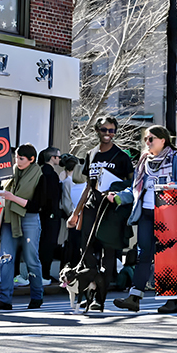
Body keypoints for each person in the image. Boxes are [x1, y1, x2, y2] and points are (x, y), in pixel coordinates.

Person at [111, 125, 177, 314]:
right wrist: (119, 197)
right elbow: (136, 188)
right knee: (144, 255)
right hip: (147, 214)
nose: (147, 143)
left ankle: (172, 301)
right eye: (146, 140)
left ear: (162, 140)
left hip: (168, 216)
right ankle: (134, 298)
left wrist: (175, 185)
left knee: (168, 257)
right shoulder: (143, 161)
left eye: (151, 139)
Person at [66, 116, 133, 310]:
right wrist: (75, 213)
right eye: (104, 130)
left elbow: (132, 184)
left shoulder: (122, 157)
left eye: (112, 130)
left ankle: (99, 299)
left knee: (108, 255)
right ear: (97, 131)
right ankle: (91, 286)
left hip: (111, 211)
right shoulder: (91, 154)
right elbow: (89, 186)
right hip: (91, 207)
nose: (108, 134)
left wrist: (119, 195)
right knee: (85, 250)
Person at [0, 144, 46, 310]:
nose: (17, 161)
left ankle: (37, 295)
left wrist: (12, 197)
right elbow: (3, 194)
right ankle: (4, 299)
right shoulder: (9, 172)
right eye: (16, 157)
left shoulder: (40, 174)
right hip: (9, 218)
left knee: (31, 259)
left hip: (29, 218)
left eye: (21, 158)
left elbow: (38, 205)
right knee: (5, 258)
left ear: (31, 159)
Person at [37, 147, 63, 285]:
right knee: (48, 244)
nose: (59, 159)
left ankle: (40, 274)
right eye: (58, 157)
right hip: (51, 215)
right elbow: (52, 196)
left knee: (39, 244)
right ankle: (44, 274)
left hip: (40, 214)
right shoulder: (51, 174)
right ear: (52, 158)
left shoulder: (38, 171)